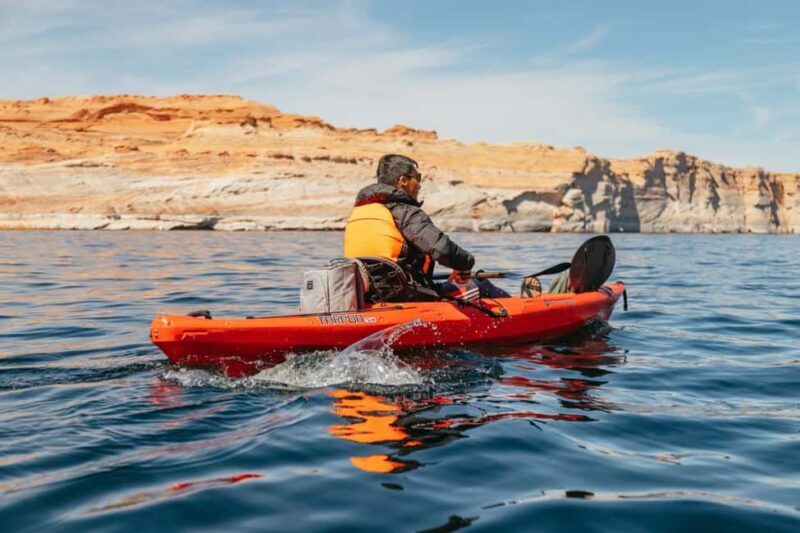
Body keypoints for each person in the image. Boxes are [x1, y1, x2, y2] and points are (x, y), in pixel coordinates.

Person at [343, 154, 508, 300]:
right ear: (403, 181)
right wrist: (465, 264)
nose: (419, 185)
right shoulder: (404, 211)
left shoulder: (359, 211)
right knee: (482, 286)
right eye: (418, 178)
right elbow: (442, 248)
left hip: (370, 295)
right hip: (407, 296)